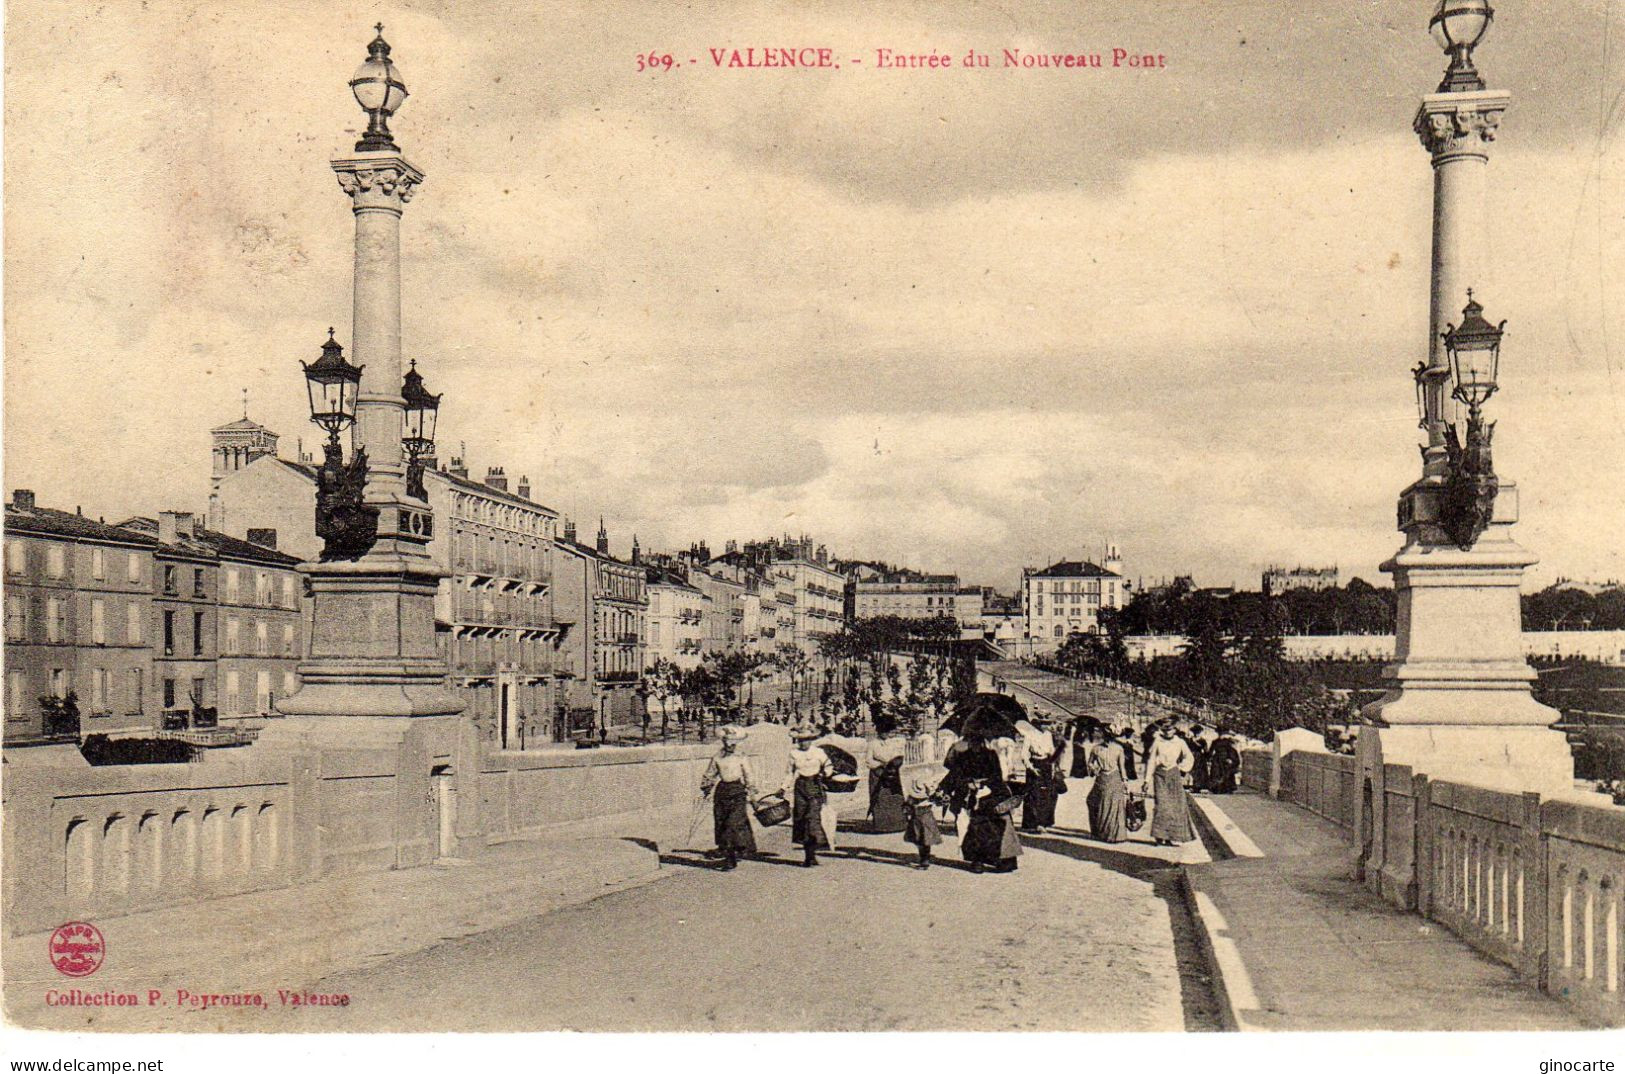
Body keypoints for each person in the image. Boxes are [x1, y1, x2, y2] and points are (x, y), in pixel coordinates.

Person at [943, 733, 1020, 874]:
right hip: (969, 795)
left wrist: (983, 784)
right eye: (972, 741)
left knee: (998, 826)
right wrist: (954, 787)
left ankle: (1003, 860)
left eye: (977, 741)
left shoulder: (991, 755)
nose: (975, 745)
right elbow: (954, 774)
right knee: (973, 828)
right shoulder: (963, 756)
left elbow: (997, 775)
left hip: (991, 794)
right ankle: (977, 861)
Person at [699, 726, 759, 870]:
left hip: (738, 792)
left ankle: (732, 857)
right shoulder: (717, 757)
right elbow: (710, 774)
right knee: (722, 823)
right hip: (722, 792)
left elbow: (749, 776)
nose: (730, 745)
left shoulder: (742, 757)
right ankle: (729, 855)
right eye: (727, 742)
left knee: (732, 824)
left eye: (733, 742)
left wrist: (753, 797)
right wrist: (706, 788)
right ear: (723, 742)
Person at [787, 725, 835, 867]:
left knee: (812, 820)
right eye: (800, 740)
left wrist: (824, 774)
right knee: (801, 820)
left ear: (812, 739)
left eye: (807, 740)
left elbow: (829, 766)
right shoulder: (793, 754)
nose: (804, 743)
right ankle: (809, 856)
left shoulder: (819, 752)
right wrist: (783, 788)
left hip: (815, 786)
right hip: (800, 787)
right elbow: (789, 772)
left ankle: (813, 851)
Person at [1144, 720, 1196, 846]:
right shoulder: (1157, 742)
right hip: (1160, 775)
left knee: (1174, 806)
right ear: (1162, 731)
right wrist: (1146, 780)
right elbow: (1151, 761)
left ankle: (1169, 837)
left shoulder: (1180, 742)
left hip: (1174, 774)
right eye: (1165, 730)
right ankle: (1159, 836)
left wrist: (1182, 768)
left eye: (1170, 730)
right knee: (1161, 805)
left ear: (1174, 730)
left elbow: (1189, 757)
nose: (1168, 732)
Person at [1087, 728, 1130, 842]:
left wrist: (1125, 780)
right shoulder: (1096, 748)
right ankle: (1100, 831)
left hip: (1115, 777)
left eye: (1110, 737)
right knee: (1094, 801)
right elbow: (1090, 762)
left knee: (1114, 805)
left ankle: (1115, 834)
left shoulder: (1118, 749)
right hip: (1102, 777)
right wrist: (1094, 769)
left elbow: (1122, 767)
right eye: (1106, 736)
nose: (1108, 739)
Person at [866, 721, 908, 834]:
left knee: (895, 796)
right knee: (880, 797)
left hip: (892, 773)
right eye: (883, 732)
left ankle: (898, 824)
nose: (885, 734)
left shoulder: (894, 743)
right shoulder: (872, 744)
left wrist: (894, 763)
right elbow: (868, 760)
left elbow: (898, 756)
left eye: (887, 732)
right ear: (878, 732)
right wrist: (880, 765)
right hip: (877, 773)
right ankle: (882, 826)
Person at [901, 762, 944, 869]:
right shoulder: (915, 796)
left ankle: (925, 859)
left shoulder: (927, 796)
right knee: (920, 839)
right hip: (918, 817)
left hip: (924, 816)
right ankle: (924, 858)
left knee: (924, 839)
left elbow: (938, 801)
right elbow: (907, 805)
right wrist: (907, 812)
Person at [1021, 722, 1060, 833]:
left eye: (1047, 723)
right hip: (1034, 765)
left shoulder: (1048, 735)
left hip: (1046, 765)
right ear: (1038, 724)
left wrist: (1054, 764)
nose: (1047, 726)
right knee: (1033, 794)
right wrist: (1031, 768)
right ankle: (1033, 823)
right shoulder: (1029, 735)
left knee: (1048, 794)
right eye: (1044, 724)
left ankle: (1044, 821)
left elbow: (1052, 751)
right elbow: (1024, 754)